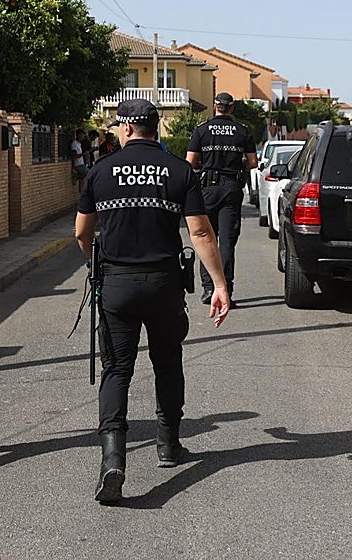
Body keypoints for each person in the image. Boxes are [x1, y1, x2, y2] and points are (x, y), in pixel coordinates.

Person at [75, 98, 231, 505]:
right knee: (167, 361)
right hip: (164, 285)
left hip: (116, 285)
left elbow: (80, 233)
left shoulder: (99, 172)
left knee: (117, 370)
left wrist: (98, 262)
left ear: (126, 129)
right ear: (154, 129)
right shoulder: (180, 171)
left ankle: (113, 460)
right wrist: (219, 285)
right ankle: (168, 445)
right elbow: (200, 233)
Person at [186, 92, 257, 306]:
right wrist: (239, 167)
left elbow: (190, 161)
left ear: (215, 106)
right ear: (232, 108)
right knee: (227, 242)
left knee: (206, 238)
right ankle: (226, 289)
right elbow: (253, 162)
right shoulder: (242, 131)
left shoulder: (202, 130)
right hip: (232, 188)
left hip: (207, 188)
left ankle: (209, 288)